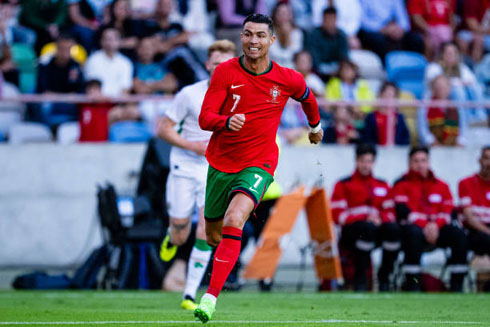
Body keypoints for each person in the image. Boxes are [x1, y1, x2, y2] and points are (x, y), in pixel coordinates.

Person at [193, 13, 323, 323]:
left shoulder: (287, 78)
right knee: (214, 235)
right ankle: (218, 263)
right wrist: (226, 121)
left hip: (260, 162)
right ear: (241, 37)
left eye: (261, 35)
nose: (254, 40)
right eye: (248, 34)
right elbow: (205, 118)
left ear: (272, 41)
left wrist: (316, 127)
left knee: (235, 218)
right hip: (221, 163)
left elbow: (307, 97)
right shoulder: (225, 73)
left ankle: (209, 298)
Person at [157, 40, 236, 311]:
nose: (220, 68)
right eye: (216, 64)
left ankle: (189, 294)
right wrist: (193, 146)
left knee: (206, 229)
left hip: (213, 171)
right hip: (184, 165)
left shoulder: (238, 97)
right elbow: (164, 129)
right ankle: (172, 234)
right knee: (181, 233)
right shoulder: (189, 94)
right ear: (207, 65)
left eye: (225, 64)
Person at [393, 146, 468, 292]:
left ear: (429, 162)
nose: (420, 164)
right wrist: (426, 225)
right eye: (416, 161)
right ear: (409, 163)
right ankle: (413, 284)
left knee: (459, 235)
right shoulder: (401, 184)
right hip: (414, 232)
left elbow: (449, 210)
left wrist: (435, 225)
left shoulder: (441, 185)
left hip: (437, 230)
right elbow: (402, 211)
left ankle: (456, 285)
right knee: (412, 233)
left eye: (423, 160)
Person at [331, 143, 401, 291]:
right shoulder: (343, 184)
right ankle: (361, 279)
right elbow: (338, 216)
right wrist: (365, 217)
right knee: (366, 228)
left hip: (375, 229)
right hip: (352, 232)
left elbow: (391, 213)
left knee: (393, 230)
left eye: (369, 161)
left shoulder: (382, 185)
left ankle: (384, 278)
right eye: (362, 161)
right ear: (356, 161)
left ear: (373, 162)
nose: (365, 165)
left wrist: (380, 219)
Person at [35, 34, 84, 129]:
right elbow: (42, 90)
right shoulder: (46, 65)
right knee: (45, 105)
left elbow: (79, 91)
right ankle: (46, 131)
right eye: (62, 49)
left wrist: (68, 96)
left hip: (69, 103)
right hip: (51, 102)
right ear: (57, 48)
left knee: (81, 107)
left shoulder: (76, 66)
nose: (65, 52)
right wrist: (64, 96)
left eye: (68, 49)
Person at [357, 0, 424, 62]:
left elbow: (404, 20)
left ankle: (415, 67)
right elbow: (363, 21)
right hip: (374, 30)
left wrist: (399, 29)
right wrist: (383, 29)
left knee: (415, 39)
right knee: (378, 40)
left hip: (395, 29)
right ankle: (387, 70)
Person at [417, 74, 468, 147]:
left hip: (454, 147)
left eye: (444, 87)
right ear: (433, 89)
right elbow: (422, 128)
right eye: (438, 87)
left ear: (449, 88)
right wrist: (431, 142)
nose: (441, 89)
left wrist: (460, 142)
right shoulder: (425, 106)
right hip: (431, 146)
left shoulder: (456, 106)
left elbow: (463, 126)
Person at [458, 146, 490, 257]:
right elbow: (469, 218)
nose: (489, 163)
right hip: (474, 230)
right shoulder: (466, 183)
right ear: (480, 160)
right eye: (486, 158)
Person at [84, 27, 133, 97]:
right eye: (106, 39)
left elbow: (125, 89)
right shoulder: (93, 59)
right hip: (96, 102)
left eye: (113, 39)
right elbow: (91, 86)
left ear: (119, 41)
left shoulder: (126, 62)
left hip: (118, 103)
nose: (109, 42)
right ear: (101, 41)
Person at [362, 82, 410, 146]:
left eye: (392, 96)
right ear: (381, 95)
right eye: (386, 95)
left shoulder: (399, 117)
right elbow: (367, 138)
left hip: (396, 153)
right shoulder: (371, 116)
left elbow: (405, 139)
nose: (389, 98)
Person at [305, 6, 348, 77]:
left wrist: (337, 69)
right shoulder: (314, 35)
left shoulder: (342, 36)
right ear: (323, 20)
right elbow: (313, 59)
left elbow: (344, 58)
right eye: (327, 20)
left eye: (332, 20)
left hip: (338, 73)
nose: (329, 23)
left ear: (336, 20)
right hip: (318, 73)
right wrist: (325, 70)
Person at [268, 2, 303, 69]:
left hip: (292, 69)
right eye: (280, 13)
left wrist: (287, 37)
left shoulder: (297, 32)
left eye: (286, 13)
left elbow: (294, 55)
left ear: (291, 15)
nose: (283, 16)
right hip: (273, 67)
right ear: (274, 14)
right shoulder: (269, 31)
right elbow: (275, 54)